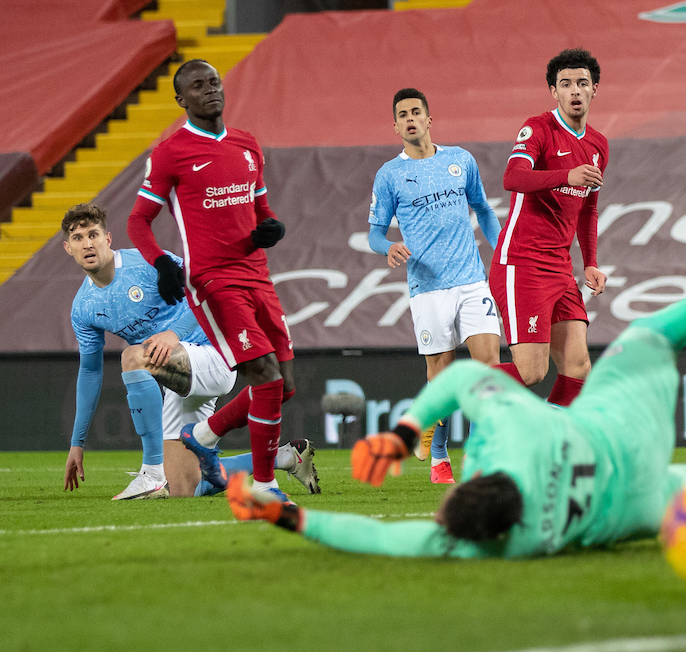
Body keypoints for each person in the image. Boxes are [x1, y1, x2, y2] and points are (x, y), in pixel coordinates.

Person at [227, 257, 686, 559]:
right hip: (617, 428)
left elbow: (375, 541)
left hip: (637, 502)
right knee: (652, 335)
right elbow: (459, 380)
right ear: (479, 482)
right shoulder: (517, 428)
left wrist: (284, 518)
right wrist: (404, 434)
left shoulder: (504, 544)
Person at [60, 204, 320, 499]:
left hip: (215, 351)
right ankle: (286, 458)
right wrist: (77, 443)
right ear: (68, 248)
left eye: (93, 234)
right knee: (185, 488)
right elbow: (91, 371)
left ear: (108, 238)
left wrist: (174, 334)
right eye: (78, 238)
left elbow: (211, 287)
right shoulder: (84, 308)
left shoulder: (147, 263)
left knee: (133, 356)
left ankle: (151, 473)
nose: (87, 243)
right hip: (178, 375)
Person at [127, 59, 297, 502]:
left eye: (215, 83)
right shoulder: (170, 152)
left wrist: (272, 227)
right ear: (182, 99)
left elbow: (263, 211)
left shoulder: (247, 145)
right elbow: (138, 222)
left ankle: (204, 433)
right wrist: (164, 263)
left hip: (258, 275)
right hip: (213, 280)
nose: (210, 91)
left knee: (285, 384)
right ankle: (265, 487)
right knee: (265, 377)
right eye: (198, 86)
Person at [368, 88, 503, 484]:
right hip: (428, 288)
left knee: (487, 369)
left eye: (416, 112)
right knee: (441, 378)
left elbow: (484, 209)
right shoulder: (389, 175)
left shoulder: (461, 160)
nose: (410, 119)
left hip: (472, 279)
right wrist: (388, 247)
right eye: (403, 115)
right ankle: (439, 456)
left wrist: (502, 250)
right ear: (395, 126)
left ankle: (475, 457)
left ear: (429, 119)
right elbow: (375, 234)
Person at [488, 48, 609, 406]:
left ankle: (551, 450)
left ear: (594, 90)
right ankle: (444, 396)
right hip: (522, 263)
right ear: (554, 92)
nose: (575, 90)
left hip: (560, 268)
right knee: (531, 372)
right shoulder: (538, 128)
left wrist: (590, 262)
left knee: (578, 366)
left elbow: (588, 208)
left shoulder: (598, 145)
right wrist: (565, 175)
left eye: (582, 83)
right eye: (566, 84)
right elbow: (512, 177)